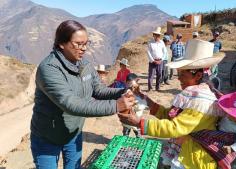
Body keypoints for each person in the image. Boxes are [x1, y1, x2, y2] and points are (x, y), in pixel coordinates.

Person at [30, 20, 136, 169]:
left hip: (73, 133)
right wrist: (116, 105)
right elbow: (71, 104)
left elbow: (98, 90)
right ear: (62, 43)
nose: (84, 48)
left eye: (86, 43)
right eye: (78, 44)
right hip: (47, 137)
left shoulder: (84, 65)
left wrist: (122, 91)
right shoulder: (49, 69)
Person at [119, 39, 226, 169]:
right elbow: (169, 115)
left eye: (182, 74)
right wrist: (143, 97)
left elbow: (174, 127)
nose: (179, 78)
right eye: (178, 74)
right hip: (186, 152)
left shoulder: (201, 101)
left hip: (193, 160)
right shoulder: (193, 96)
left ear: (197, 75)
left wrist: (139, 123)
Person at [191, 91, 236, 169]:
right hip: (217, 133)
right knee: (200, 135)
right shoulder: (226, 114)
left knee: (220, 156)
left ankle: (218, 162)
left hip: (227, 142)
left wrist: (232, 148)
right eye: (235, 116)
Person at [122, 73, 147, 137]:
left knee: (137, 132)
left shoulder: (138, 91)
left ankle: (138, 140)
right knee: (127, 131)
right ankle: (125, 140)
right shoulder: (125, 92)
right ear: (126, 83)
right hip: (128, 117)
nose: (131, 86)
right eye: (129, 84)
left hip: (136, 117)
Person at [147, 27, 166, 91]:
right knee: (151, 75)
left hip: (160, 61)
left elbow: (164, 52)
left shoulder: (162, 42)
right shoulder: (150, 43)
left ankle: (157, 87)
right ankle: (150, 88)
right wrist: (153, 60)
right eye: (156, 35)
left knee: (159, 74)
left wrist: (161, 60)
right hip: (152, 62)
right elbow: (148, 52)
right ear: (153, 35)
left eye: (158, 35)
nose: (157, 36)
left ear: (159, 36)